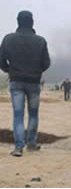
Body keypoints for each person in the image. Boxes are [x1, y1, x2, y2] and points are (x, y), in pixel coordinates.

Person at [0, 10, 51, 156]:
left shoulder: (8, 39)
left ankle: (18, 147)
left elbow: (1, 60)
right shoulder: (40, 40)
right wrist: (37, 71)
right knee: (33, 114)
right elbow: (46, 63)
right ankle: (32, 144)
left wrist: (10, 70)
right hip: (34, 83)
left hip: (16, 81)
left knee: (18, 115)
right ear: (32, 22)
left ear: (18, 21)